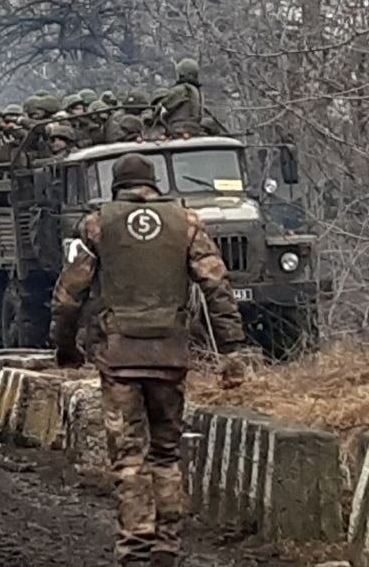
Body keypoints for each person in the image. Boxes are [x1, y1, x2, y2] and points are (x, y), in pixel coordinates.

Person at [50, 154, 249, 567]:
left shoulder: (96, 225)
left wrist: (65, 347)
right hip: (170, 357)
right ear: (154, 184)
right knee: (166, 454)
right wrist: (231, 351)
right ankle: (167, 549)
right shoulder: (187, 223)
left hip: (119, 359)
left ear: (116, 187)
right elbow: (217, 286)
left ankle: (135, 552)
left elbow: (69, 295)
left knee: (129, 460)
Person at [159, 58, 205, 137]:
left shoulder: (181, 90)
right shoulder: (199, 92)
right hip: (194, 128)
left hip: (177, 129)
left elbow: (165, 105)